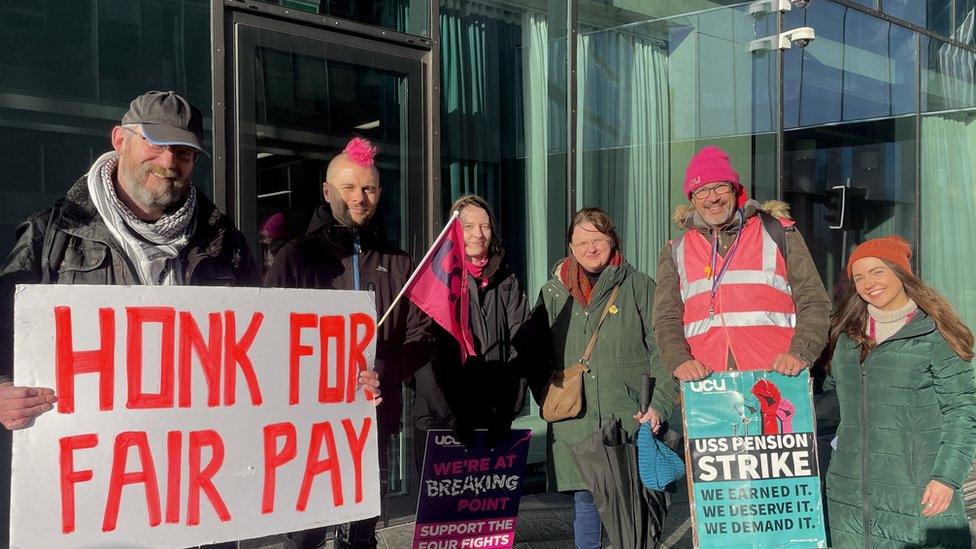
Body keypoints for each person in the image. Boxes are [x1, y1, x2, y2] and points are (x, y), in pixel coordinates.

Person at [265, 136, 430, 549]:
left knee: (362, 533)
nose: (360, 197)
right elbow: (266, 336)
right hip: (309, 429)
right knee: (306, 535)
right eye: (349, 187)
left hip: (374, 425)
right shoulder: (297, 257)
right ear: (327, 191)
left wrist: (385, 372)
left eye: (369, 188)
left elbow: (419, 335)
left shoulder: (399, 262)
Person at [531, 207, 677, 549]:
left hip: (628, 415)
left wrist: (658, 403)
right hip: (576, 419)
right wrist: (549, 395)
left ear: (613, 240)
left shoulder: (638, 285)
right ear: (570, 245)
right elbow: (534, 354)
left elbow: (665, 349)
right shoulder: (553, 293)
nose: (590, 248)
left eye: (597, 239)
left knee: (632, 504)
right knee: (586, 501)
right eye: (581, 241)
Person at [826, 236, 976, 548]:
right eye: (859, 277)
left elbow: (963, 412)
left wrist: (947, 478)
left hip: (916, 489)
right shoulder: (847, 337)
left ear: (899, 273)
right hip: (851, 494)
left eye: (877, 271)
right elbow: (830, 397)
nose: (868, 283)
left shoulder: (933, 334)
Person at [652, 146, 831, 380]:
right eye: (702, 190)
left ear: (735, 190)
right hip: (707, 382)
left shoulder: (778, 233)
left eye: (720, 186)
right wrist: (679, 361)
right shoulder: (675, 250)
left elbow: (813, 300)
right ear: (693, 199)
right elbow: (666, 317)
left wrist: (800, 353)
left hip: (777, 375)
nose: (712, 197)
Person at [410, 194, 529, 471]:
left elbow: (522, 345)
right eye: (469, 226)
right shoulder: (434, 280)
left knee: (484, 513)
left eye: (485, 226)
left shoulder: (507, 280)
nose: (479, 234)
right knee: (444, 514)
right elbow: (422, 356)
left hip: (490, 419)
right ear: (454, 231)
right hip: (439, 421)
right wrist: (450, 418)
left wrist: (509, 410)